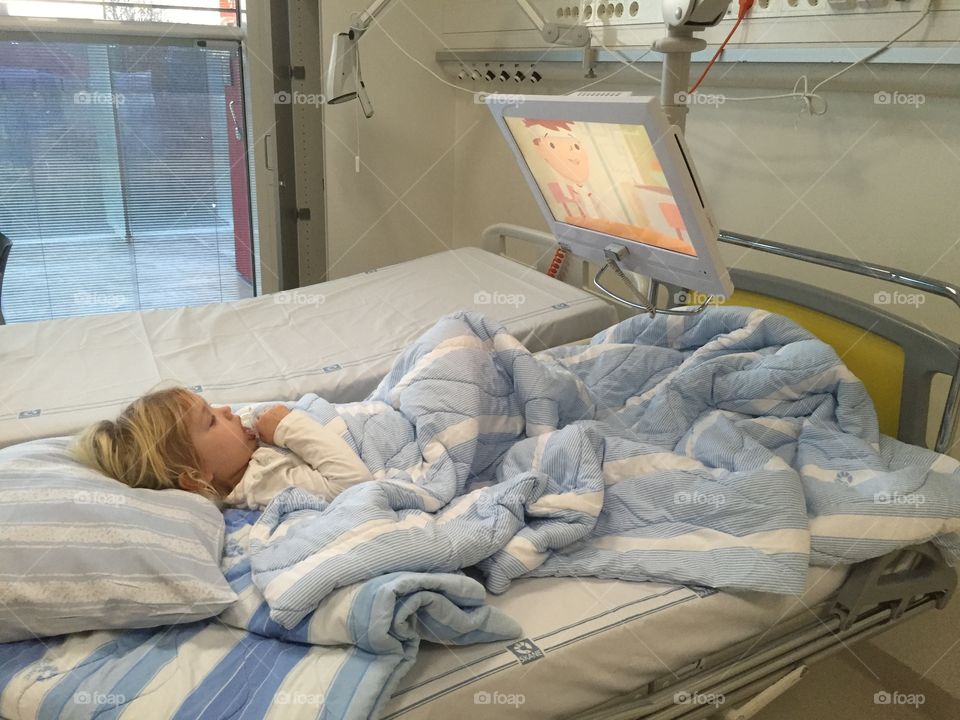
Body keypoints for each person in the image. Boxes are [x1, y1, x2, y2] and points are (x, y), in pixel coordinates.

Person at [73, 387, 373, 509]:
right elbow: (354, 485)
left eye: (213, 407)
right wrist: (288, 427)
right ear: (196, 476)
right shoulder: (261, 481)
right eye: (211, 421)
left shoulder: (240, 453)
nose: (228, 409)